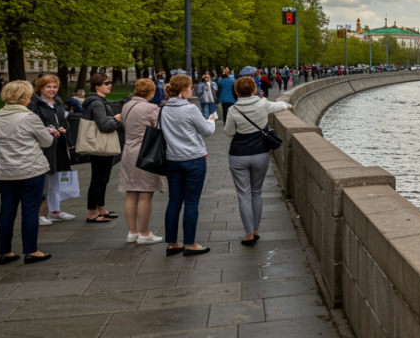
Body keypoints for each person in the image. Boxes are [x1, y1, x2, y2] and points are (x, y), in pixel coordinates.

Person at [0, 80, 54, 264]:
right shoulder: (29, 117)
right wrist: (49, 132)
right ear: (25, 97)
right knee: (29, 210)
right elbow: (46, 142)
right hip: (30, 169)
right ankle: (31, 251)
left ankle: (5, 252)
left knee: (6, 211)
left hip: (6, 170)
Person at [225, 76, 292, 246]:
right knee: (256, 192)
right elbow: (279, 105)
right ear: (254, 89)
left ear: (237, 91)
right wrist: (288, 105)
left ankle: (248, 234)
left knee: (243, 195)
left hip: (238, 154)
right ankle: (256, 230)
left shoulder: (233, 109)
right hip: (260, 153)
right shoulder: (263, 104)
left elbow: (229, 132)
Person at [161, 74, 216, 256]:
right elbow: (206, 131)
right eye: (190, 87)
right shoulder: (190, 108)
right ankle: (190, 243)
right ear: (183, 90)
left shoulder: (164, 108)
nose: (192, 90)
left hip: (172, 159)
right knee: (191, 202)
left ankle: (172, 243)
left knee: (174, 201)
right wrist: (212, 120)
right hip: (193, 159)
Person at [118, 78, 166, 245]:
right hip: (145, 152)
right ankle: (144, 233)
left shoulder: (126, 106)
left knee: (130, 193)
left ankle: (132, 232)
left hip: (128, 151)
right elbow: (160, 128)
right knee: (145, 193)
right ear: (152, 92)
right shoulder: (152, 108)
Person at [29, 75, 74, 224]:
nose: (52, 90)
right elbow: (33, 124)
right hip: (44, 145)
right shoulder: (34, 103)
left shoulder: (58, 102)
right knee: (43, 180)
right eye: (48, 87)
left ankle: (54, 210)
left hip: (58, 143)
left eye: (54, 87)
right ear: (40, 88)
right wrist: (46, 130)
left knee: (56, 178)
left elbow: (63, 120)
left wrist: (63, 128)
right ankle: (38, 214)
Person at [81, 73, 123, 222]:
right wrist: (116, 119)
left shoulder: (99, 101)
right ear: (96, 86)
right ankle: (92, 213)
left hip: (100, 145)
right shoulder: (97, 103)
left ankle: (101, 208)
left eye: (110, 82)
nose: (109, 85)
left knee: (103, 178)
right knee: (98, 179)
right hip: (100, 145)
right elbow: (105, 125)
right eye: (106, 83)